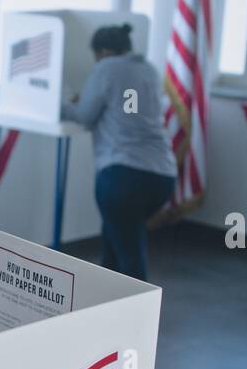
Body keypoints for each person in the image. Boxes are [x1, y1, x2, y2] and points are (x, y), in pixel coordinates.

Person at [61, 23, 176, 281]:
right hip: (162, 175)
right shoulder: (148, 70)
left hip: (122, 177)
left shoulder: (106, 68)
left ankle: (138, 317)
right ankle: (109, 307)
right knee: (116, 239)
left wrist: (57, 104)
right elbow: (129, 108)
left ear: (102, 52)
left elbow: (85, 116)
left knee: (130, 257)